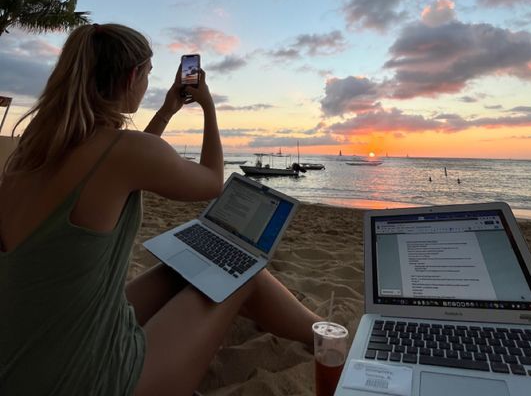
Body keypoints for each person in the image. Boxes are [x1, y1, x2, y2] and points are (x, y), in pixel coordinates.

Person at [0, 23, 320, 396]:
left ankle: (320, 332)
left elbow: (127, 163)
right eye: (148, 74)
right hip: (84, 379)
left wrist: (168, 110)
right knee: (241, 269)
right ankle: (326, 337)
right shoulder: (123, 151)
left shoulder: (32, 150)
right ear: (133, 76)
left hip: (22, 357)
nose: (148, 84)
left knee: (177, 272)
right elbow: (211, 182)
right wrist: (208, 105)